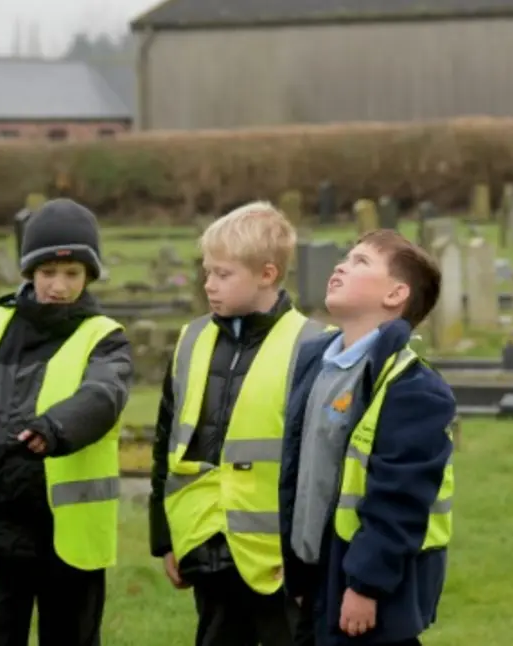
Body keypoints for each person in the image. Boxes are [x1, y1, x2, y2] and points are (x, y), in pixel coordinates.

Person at [149, 201, 327, 646]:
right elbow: (166, 443)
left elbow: (322, 466)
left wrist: (311, 559)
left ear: (267, 274)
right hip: (205, 543)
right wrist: (164, 538)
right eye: (207, 272)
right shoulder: (191, 340)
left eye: (223, 275)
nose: (209, 285)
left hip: (279, 559)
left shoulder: (313, 346)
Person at [279, 229, 456, 646]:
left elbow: (400, 498)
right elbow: (301, 477)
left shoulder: (413, 388)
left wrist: (365, 585)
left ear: (396, 294)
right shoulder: (317, 364)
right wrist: (299, 573)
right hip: (317, 577)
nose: (341, 266)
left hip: (365, 588)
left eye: (361, 262)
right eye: (345, 257)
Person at [0, 198, 133, 646]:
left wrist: (54, 427)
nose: (58, 286)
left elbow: (103, 395)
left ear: (88, 276)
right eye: (47, 273)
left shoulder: (105, 337)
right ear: (29, 274)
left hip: (67, 537)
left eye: (72, 274)